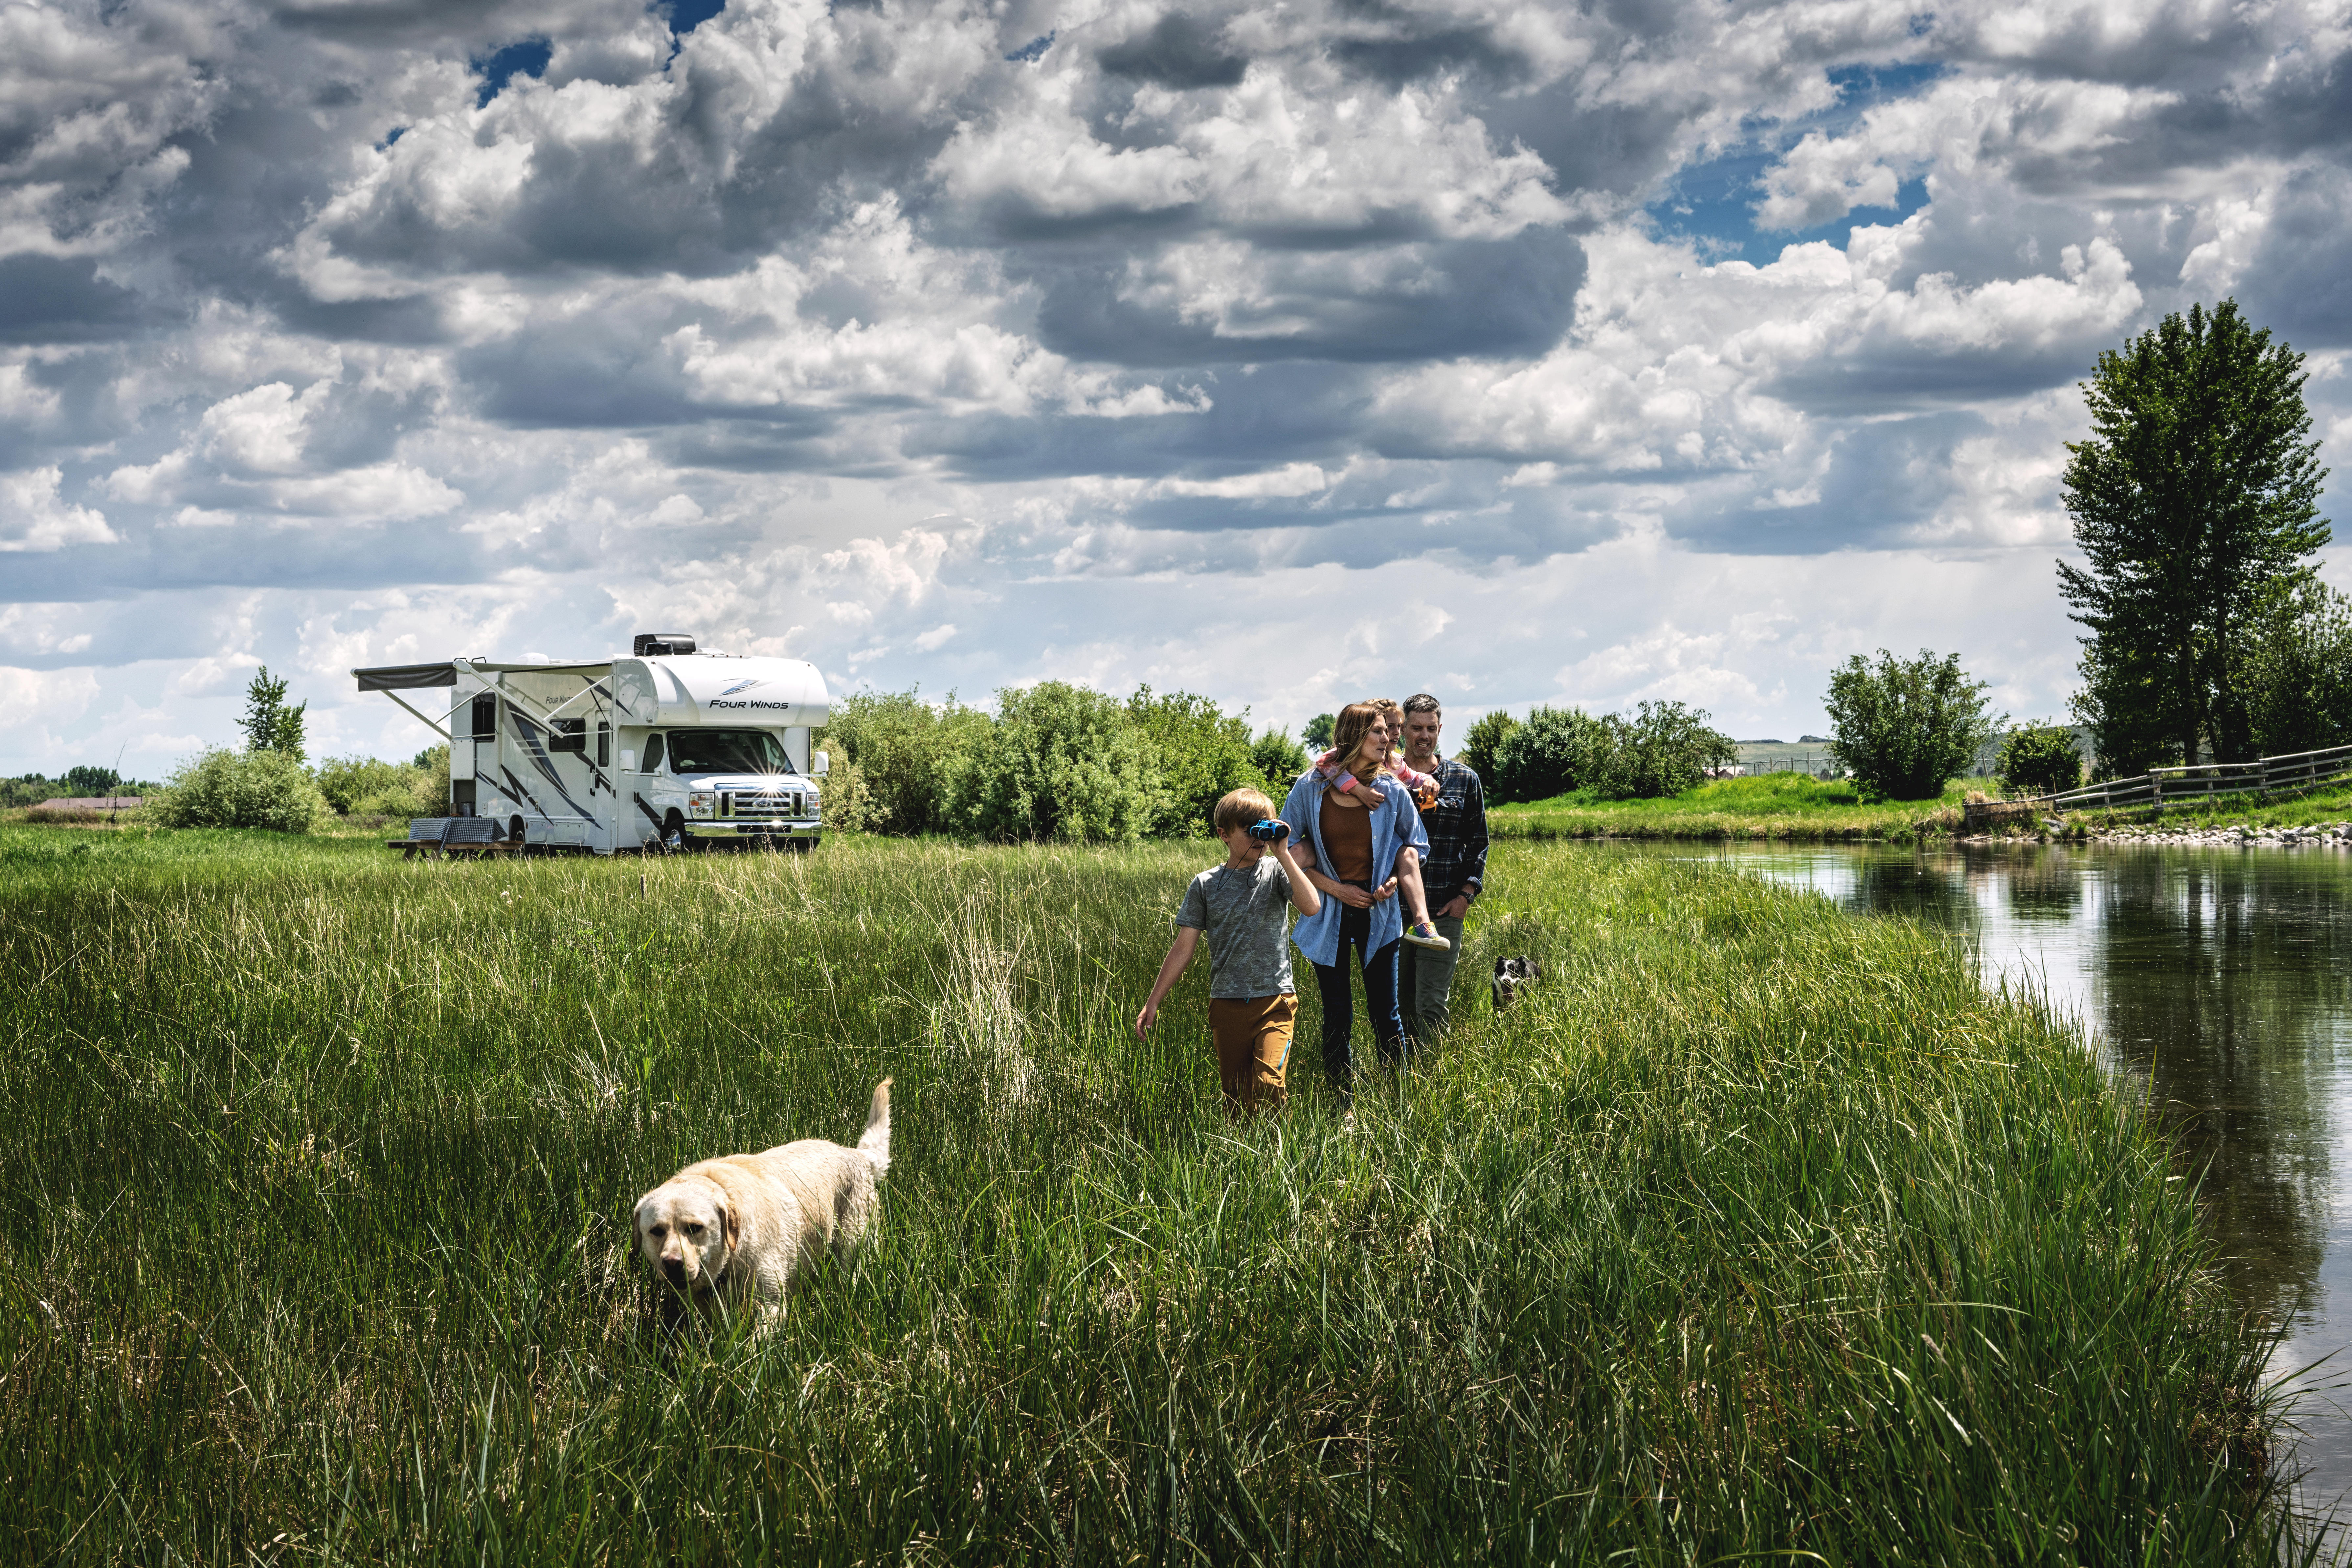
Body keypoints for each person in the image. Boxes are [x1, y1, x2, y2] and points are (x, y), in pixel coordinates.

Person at [1280, 703, 1431, 1121]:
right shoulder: (1309, 787)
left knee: (1386, 1011)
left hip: (1379, 915)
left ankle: (1397, 1101)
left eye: (1388, 732)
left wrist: (1394, 882)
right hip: (1327, 913)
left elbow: (1417, 845)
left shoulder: (1393, 791)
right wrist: (1334, 889)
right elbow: (1286, 847)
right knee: (1338, 1013)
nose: (1388, 739)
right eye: (1378, 732)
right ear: (1353, 736)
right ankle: (1341, 1104)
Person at [1134, 786, 1322, 1115]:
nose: (1259, 837)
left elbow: (1311, 906)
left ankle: (1277, 1150)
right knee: (1236, 1098)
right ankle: (1248, 1160)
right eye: (1250, 830)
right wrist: (1153, 1001)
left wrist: (1284, 852)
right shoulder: (1205, 885)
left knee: (1268, 1083)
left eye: (1265, 827)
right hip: (1227, 1004)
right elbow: (1182, 950)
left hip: (1275, 999)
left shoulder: (1276, 872)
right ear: (1224, 834)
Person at [1305, 697, 1449, 951]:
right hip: (1337, 881)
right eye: (1384, 728)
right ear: (1359, 734)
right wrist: (1358, 790)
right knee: (1300, 852)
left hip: (1385, 854)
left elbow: (1410, 778)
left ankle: (1422, 923)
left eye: (1395, 728)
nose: (1393, 735)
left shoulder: (1393, 765)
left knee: (1409, 853)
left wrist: (1427, 780)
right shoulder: (1330, 765)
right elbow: (1325, 765)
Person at [1396, 693, 1490, 1047]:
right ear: (1402, 729)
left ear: (1440, 729)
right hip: (1394, 912)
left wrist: (1467, 895)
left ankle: (1432, 1084)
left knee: (1432, 1005)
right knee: (1398, 1007)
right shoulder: (1385, 779)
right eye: (1416, 728)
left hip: (1445, 909)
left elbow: (1479, 842)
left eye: (1431, 728)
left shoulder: (1465, 780)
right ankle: (1398, 1083)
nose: (1424, 735)